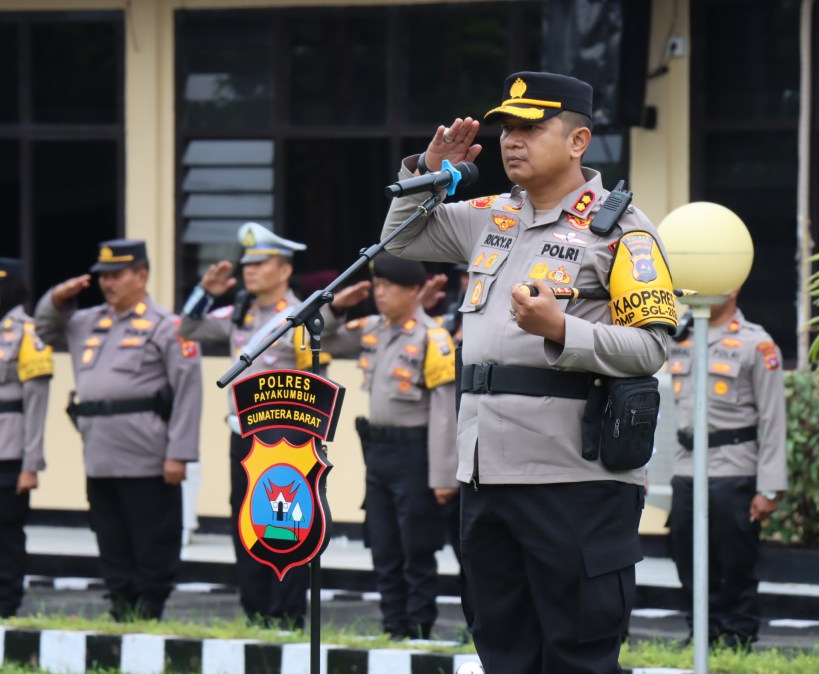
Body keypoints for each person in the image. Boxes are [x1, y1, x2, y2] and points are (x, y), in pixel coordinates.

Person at [381, 71, 678, 673]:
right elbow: (401, 240)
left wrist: (562, 330)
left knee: (577, 656)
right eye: (507, 129)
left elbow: (650, 348)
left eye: (531, 128)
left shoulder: (623, 230)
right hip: (486, 474)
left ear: (577, 141)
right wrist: (423, 175)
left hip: (574, 478)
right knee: (504, 650)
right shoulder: (489, 216)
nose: (512, 141)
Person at [178, 221, 368, 629]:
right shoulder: (241, 312)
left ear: (283, 270)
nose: (250, 271)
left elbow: (330, 335)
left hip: (289, 439)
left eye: (261, 264)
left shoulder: (301, 314)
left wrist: (334, 308)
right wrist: (206, 293)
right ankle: (255, 608)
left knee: (292, 523)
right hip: (243, 437)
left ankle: (288, 612)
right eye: (247, 264)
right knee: (246, 523)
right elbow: (189, 328)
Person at [34, 240, 202, 621]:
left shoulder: (167, 326)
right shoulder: (87, 322)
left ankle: (150, 605)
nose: (107, 283)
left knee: (152, 538)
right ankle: (120, 603)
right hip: (100, 453)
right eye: (103, 276)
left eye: (116, 275)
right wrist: (57, 297)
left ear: (141, 275)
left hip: (148, 455)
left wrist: (179, 453)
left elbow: (188, 394)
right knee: (111, 538)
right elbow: (45, 329)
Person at [325, 252, 457, 640]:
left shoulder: (433, 338)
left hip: (416, 455)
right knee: (383, 545)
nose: (380, 294)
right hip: (378, 454)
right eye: (377, 286)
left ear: (415, 291)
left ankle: (417, 629)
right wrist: (336, 305)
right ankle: (392, 626)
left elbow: (444, 412)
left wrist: (442, 476)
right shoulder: (373, 329)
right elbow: (323, 339)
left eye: (389, 287)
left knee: (416, 548)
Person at [667, 290, 787, 650]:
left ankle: (737, 634)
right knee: (685, 556)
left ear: (731, 288)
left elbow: (773, 418)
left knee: (735, 561)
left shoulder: (756, 343)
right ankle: (702, 631)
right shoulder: (681, 336)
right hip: (687, 467)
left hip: (734, 467)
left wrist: (769, 487)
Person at [0, 258, 52, 618]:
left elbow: (37, 405)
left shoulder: (30, 332)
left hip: (10, 449)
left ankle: (5, 603)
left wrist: (30, 463)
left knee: (5, 533)